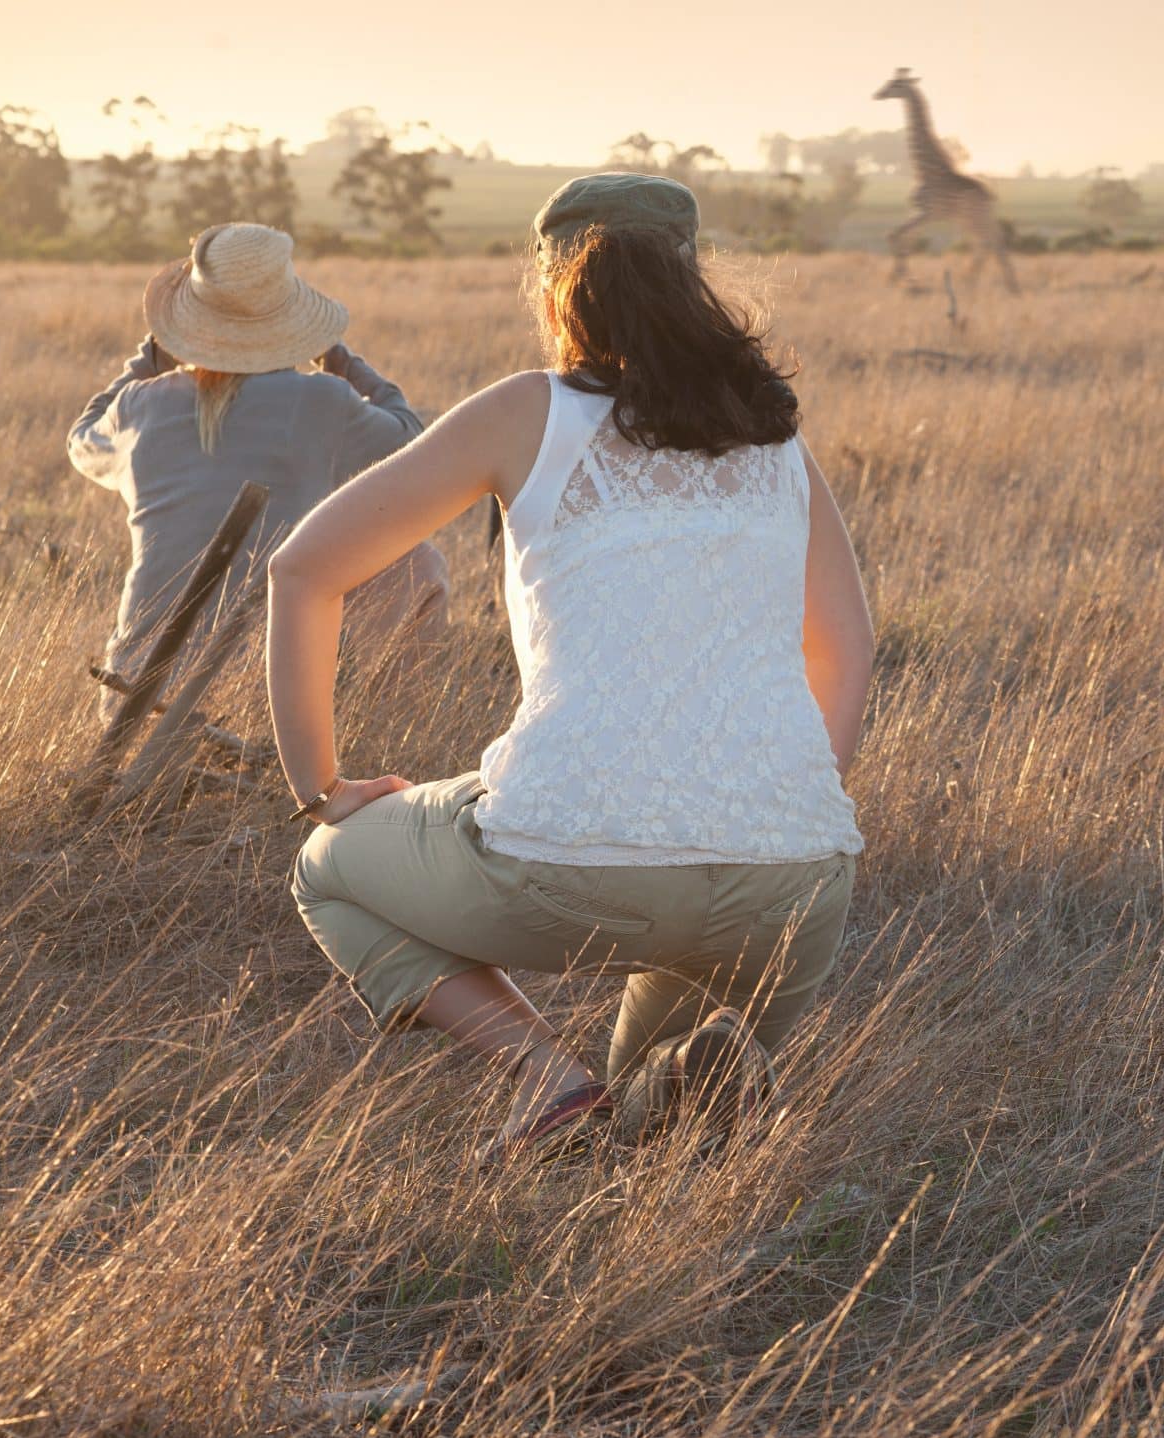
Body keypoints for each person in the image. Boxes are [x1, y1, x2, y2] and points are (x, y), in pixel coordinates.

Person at [267, 174, 873, 1154]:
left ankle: (545, 1074)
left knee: (326, 868)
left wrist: (319, 787)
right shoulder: (770, 430)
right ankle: (652, 1099)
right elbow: (844, 645)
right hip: (795, 882)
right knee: (651, 1116)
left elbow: (304, 570)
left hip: (572, 861)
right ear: (690, 280)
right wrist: (780, 802)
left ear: (555, 285)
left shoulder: (528, 412)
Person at [69, 222, 445, 718]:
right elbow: (408, 438)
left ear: (189, 322)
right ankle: (390, 731)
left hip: (131, 697)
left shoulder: (142, 405)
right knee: (417, 561)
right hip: (271, 707)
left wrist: (148, 360)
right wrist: (340, 359)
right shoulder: (321, 401)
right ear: (291, 320)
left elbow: (82, 437)